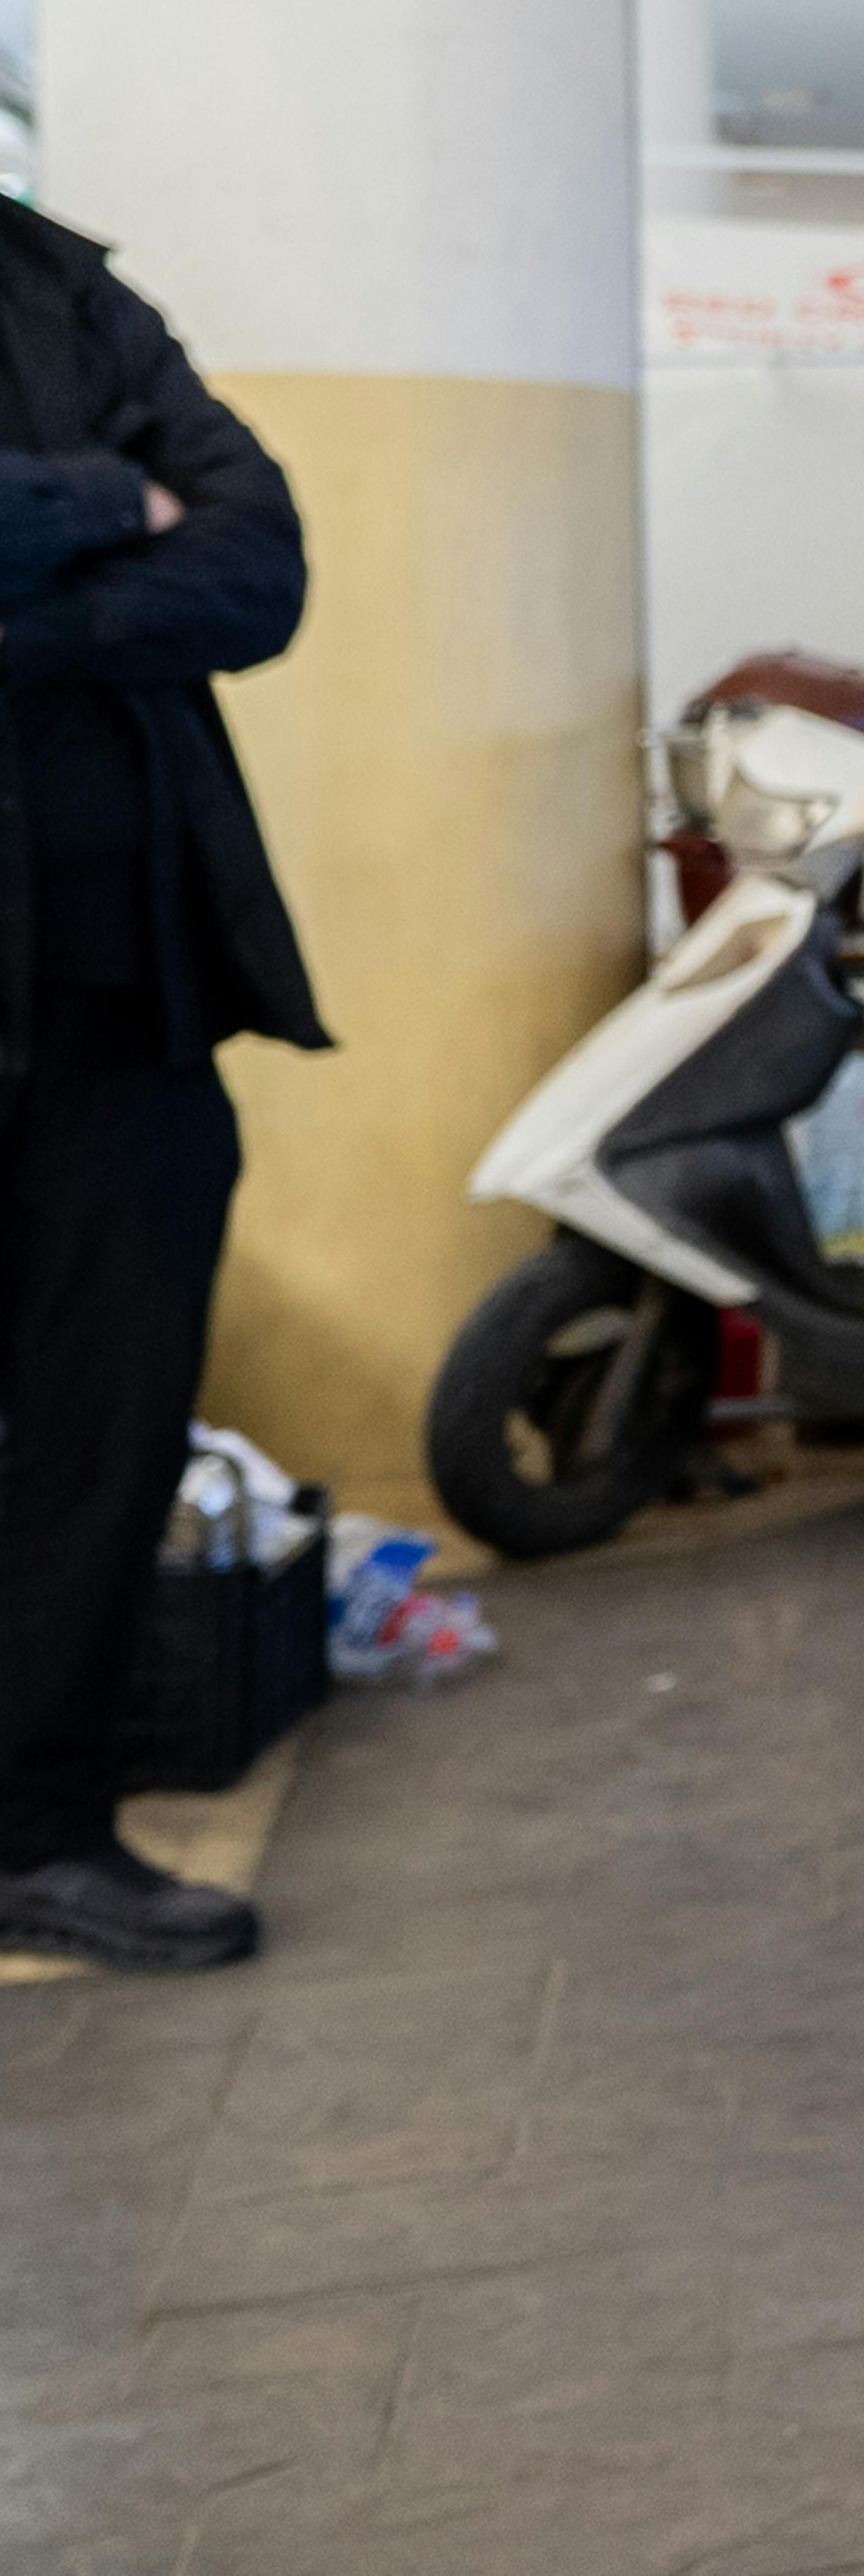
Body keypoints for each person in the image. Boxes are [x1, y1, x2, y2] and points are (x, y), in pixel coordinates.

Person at [0, 201, 318, 1977]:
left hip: (122, 999)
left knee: (103, 1435)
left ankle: (41, 1830)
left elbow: (257, 568)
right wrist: (102, 507)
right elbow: (180, 542)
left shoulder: (60, 284)